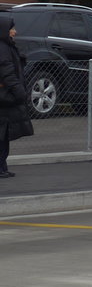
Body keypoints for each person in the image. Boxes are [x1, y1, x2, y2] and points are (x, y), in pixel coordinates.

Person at [0, 15, 35, 178]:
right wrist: (20, 92)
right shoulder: (3, 48)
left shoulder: (7, 46)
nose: (15, 32)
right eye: (12, 29)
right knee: (2, 135)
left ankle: (2, 167)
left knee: (5, 134)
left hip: (6, 97)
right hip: (5, 98)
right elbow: (8, 74)